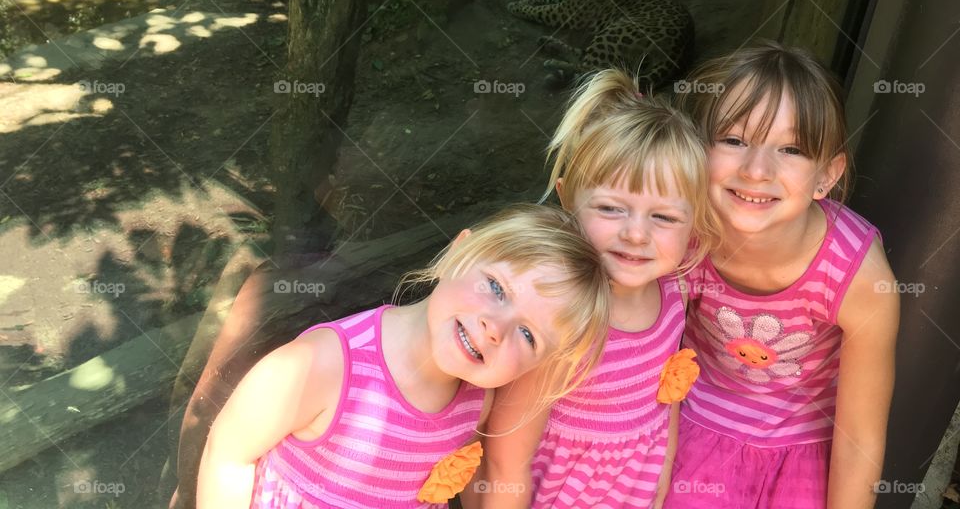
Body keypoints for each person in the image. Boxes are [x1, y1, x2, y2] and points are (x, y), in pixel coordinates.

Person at [196, 203, 610, 509]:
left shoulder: (476, 403)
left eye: (528, 334)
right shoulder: (325, 365)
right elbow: (229, 454)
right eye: (497, 288)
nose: (495, 328)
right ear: (456, 253)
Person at [467, 68, 721, 509]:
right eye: (610, 208)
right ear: (567, 198)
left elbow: (667, 403)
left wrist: (659, 492)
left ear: (693, 223)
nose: (636, 235)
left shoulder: (673, 293)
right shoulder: (558, 316)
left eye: (664, 217)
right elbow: (505, 461)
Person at [663, 42, 899, 509]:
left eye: (790, 149)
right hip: (689, 419)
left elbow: (860, 443)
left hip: (801, 446)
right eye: (733, 140)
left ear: (826, 176)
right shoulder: (680, 232)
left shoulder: (858, 276)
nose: (756, 170)